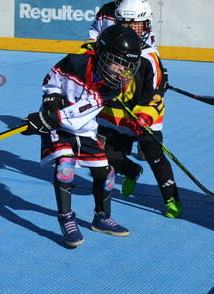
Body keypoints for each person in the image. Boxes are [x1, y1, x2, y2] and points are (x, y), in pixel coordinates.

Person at [20, 24, 142, 247]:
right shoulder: (74, 62)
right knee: (65, 167)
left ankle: (101, 218)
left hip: (81, 127)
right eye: (118, 62)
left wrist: (50, 118)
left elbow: (80, 112)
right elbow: (52, 81)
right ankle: (66, 218)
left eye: (127, 66)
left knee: (106, 174)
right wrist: (50, 108)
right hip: (58, 128)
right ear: (102, 53)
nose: (121, 70)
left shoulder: (112, 86)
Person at [96, 0, 182, 218]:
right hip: (114, 117)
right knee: (106, 155)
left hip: (143, 118)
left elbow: (154, 95)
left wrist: (144, 115)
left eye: (136, 23)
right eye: (125, 22)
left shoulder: (149, 57)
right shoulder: (109, 49)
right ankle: (131, 170)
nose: (130, 27)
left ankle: (171, 198)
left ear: (146, 25)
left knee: (155, 156)